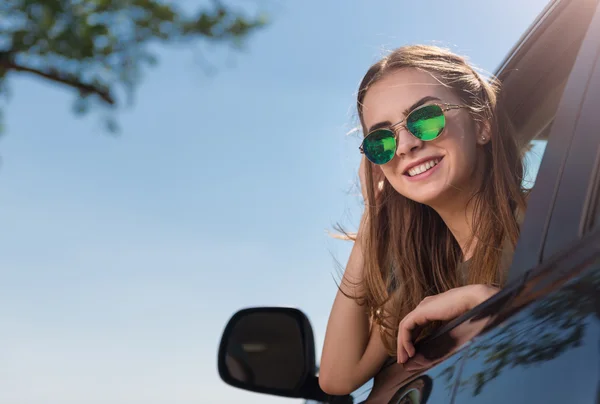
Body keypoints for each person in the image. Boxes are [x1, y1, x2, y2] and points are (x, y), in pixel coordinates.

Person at [318, 45, 528, 396]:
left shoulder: (552, 214)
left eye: (425, 118)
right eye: (380, 141)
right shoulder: (420, 277)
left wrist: (485, 302)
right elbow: (338, 378)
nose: (404, 146)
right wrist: (373, 211)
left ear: (481, 125)